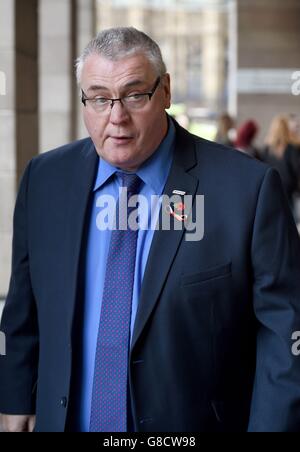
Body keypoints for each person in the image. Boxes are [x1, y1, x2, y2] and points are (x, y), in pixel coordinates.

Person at [1, 27, 300, 433]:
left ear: (166, 92)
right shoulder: (45, 179)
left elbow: (284, 334)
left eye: (134, 95)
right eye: (100, 99)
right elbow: (23, 306)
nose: (116, 116)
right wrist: (16, 396)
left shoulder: (247, 190)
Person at [262, 115, 300, 207]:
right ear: (286, 129)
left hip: (271, 190)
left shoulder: (267, 149)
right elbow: (298, 170)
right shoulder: (291, 149)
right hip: (289, 193)